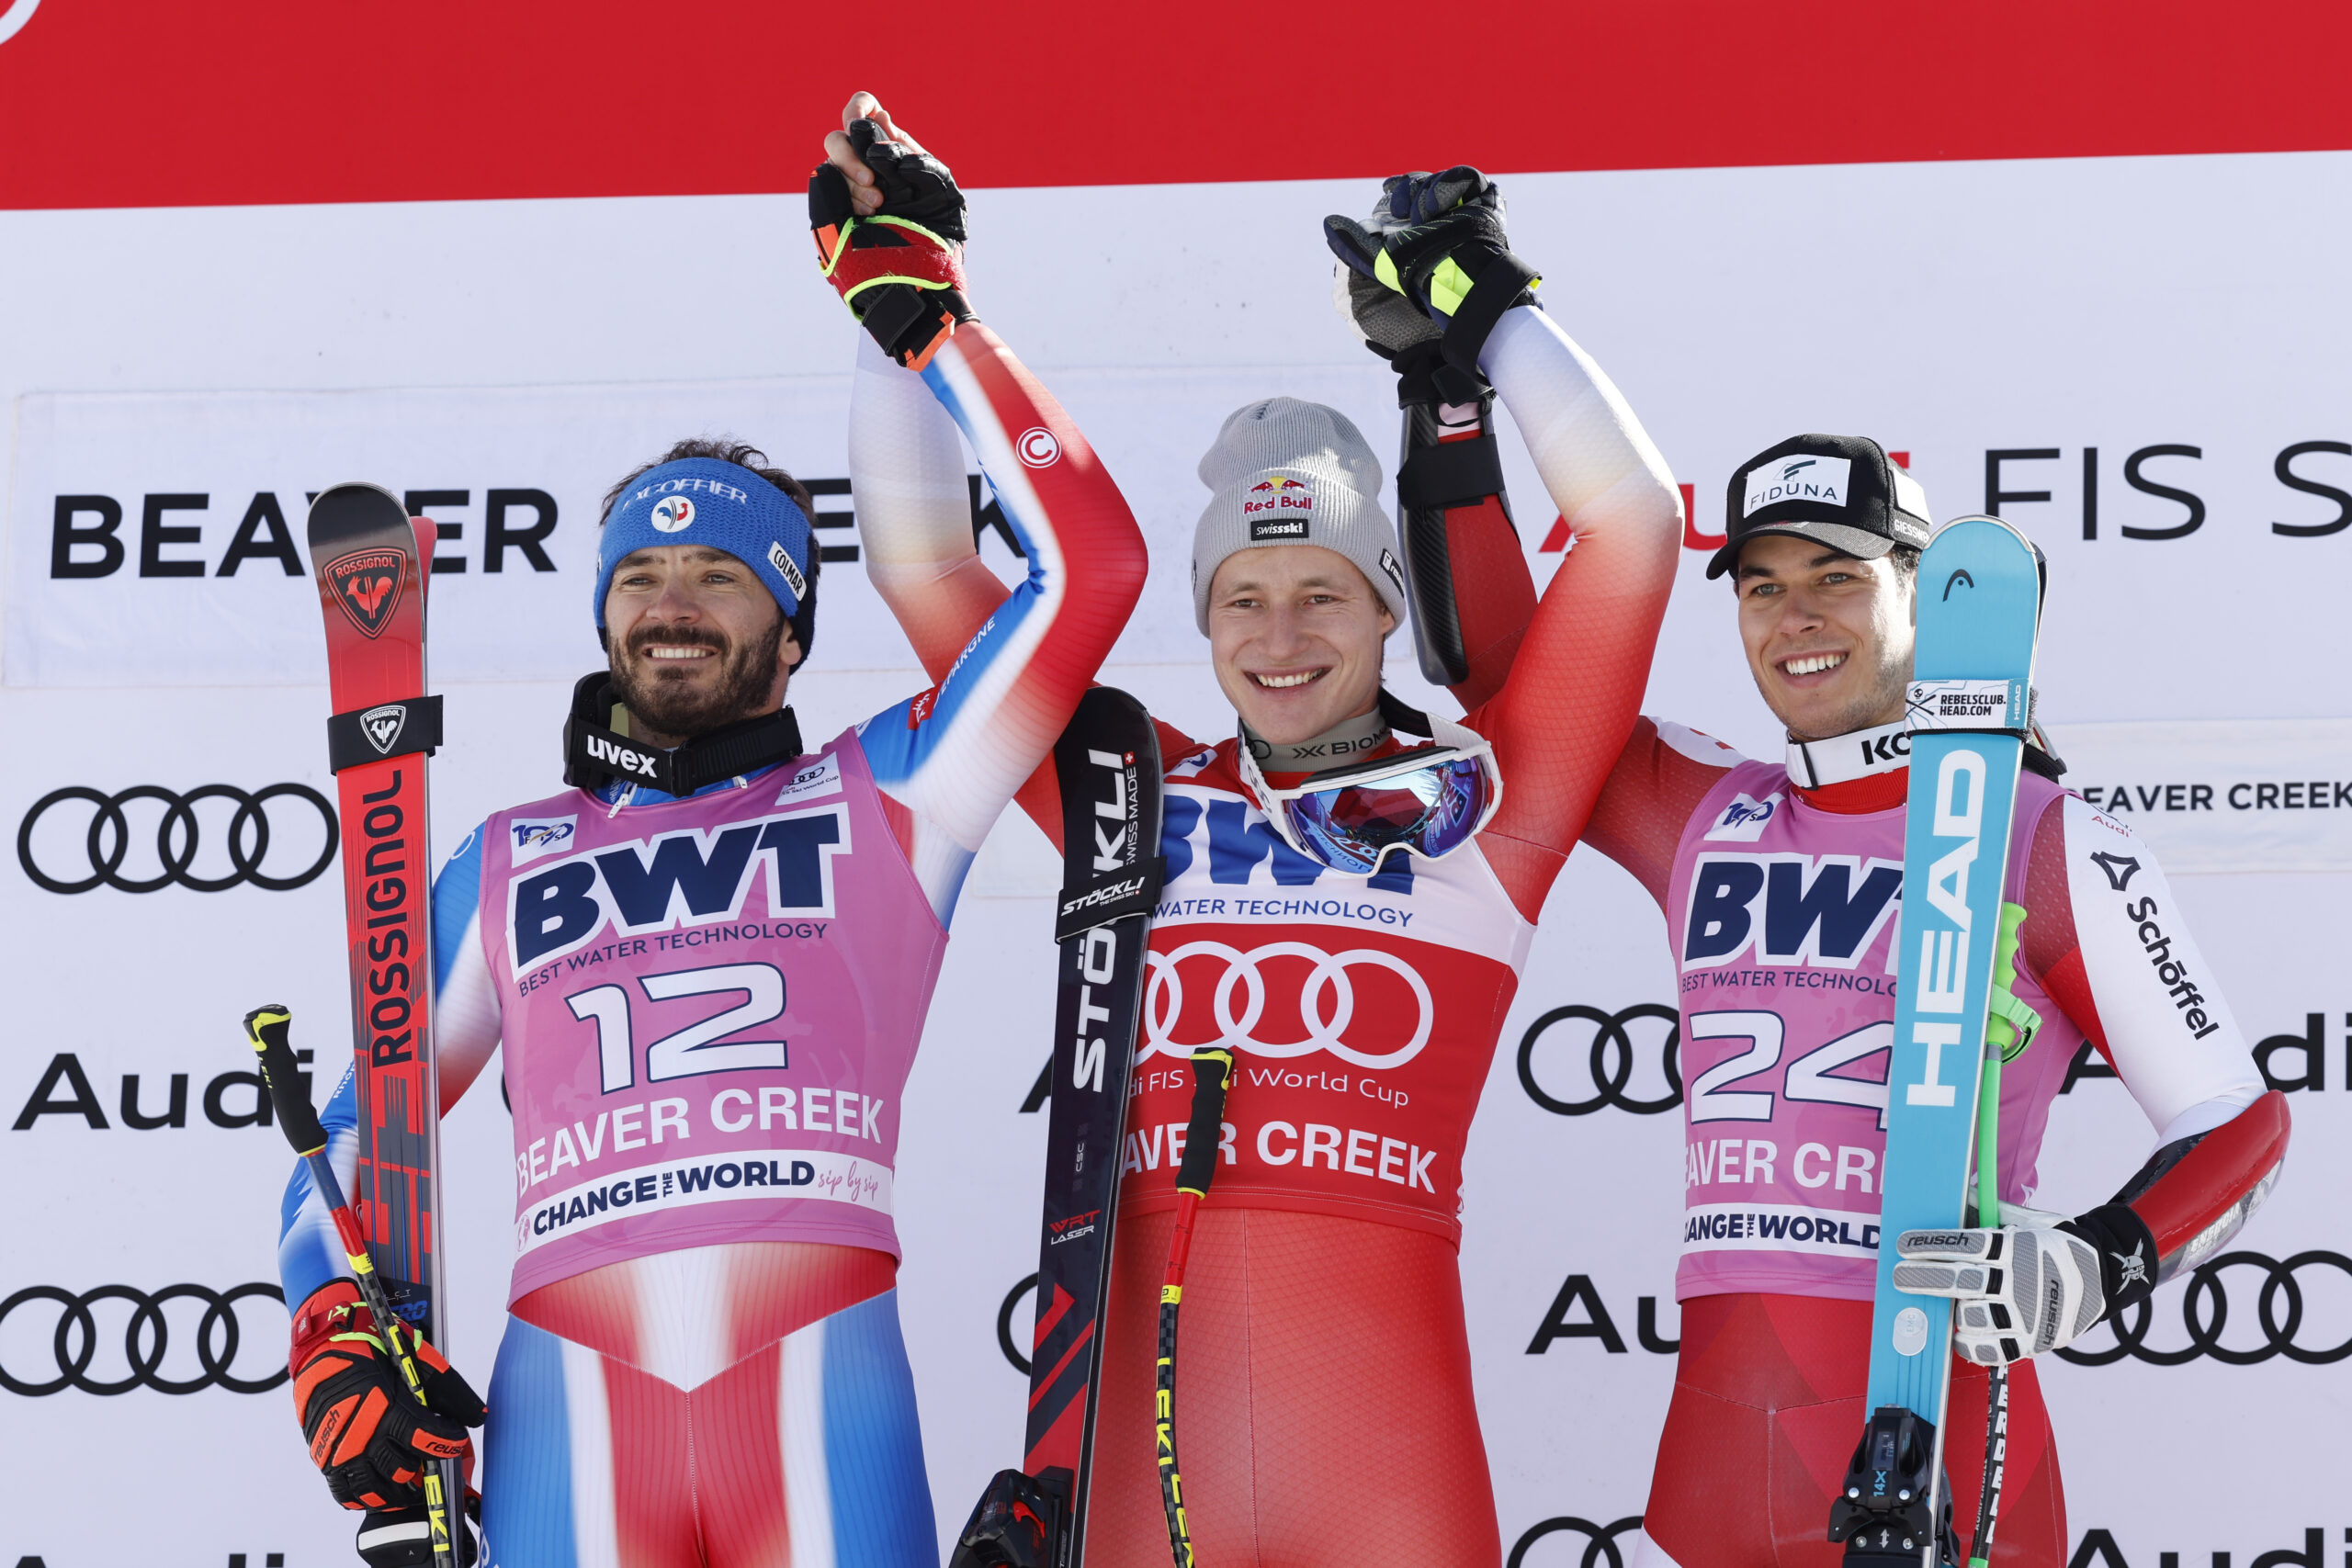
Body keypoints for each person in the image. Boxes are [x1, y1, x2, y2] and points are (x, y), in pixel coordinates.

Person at [272, 102, 1148, 1568]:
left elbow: (1093, 569)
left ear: (792, 629)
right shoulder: (507, 855)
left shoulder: (893, 791)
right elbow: (359, 1125)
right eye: (643, 574)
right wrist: (325, 1316)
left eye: (721, 575)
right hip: (567, 1408)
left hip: (821, 1384)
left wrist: (921, 320)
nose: (672, 603)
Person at [840, 117, 1685, 1563]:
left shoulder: (1489, 806)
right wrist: (898, 313)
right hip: (1134, 1456)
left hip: (1383, 1462)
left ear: (1386, 606)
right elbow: (923, 564)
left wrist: (1492, 311)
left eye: (1323, 593)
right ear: (1205, 615)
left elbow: (1636, 526)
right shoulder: (1124, 785)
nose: (1281, 635)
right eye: (1243, 596)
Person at [1561, 435, 2291, 1567]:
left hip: (1937, 1438)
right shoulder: (1700, 813)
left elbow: (2241, 1122)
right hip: (1711, 1456)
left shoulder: (2041, 838)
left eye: (1836, 577)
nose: (1795, 617)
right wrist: (1462, 393)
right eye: (1762, 587)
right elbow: (1512, 674)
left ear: (1924, 594)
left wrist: (2098, 1258)